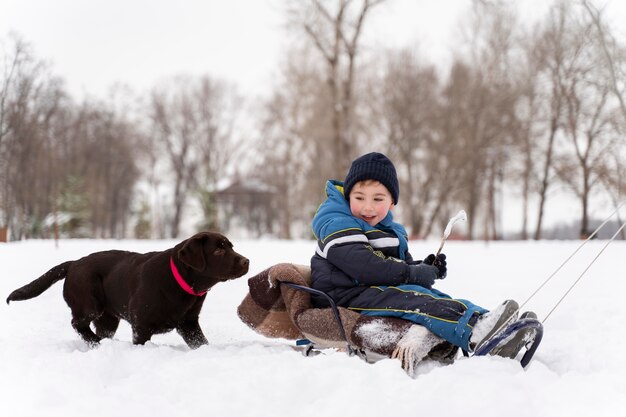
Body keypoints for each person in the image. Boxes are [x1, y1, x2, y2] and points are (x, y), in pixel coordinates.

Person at [310, 151, 518, 353]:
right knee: (415, 301)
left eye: (378, 199)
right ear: (348, 196)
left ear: (392, 202)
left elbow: (396, 264)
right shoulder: (336, 222)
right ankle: (477, 333)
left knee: (429, 295)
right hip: (344, 295)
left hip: (371, 290)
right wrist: (412, 274)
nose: (368, 207)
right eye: (359, 197)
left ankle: (485, 320)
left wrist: (423, 267)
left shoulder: (387, 229)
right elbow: (363, 265)